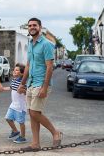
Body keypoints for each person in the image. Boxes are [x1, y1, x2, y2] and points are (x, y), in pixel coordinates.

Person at [18, 18, 62, 151]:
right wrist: (22, 83)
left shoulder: (46, 44)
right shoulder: (30, 43)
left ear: (40, 27)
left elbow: (49, 67)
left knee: (35, 112)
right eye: (30, 25)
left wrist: (44, 87)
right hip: (31, 83)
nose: (32, 27)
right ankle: (35, 144)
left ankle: (55, 132)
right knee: (32, 114)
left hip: (41, 84)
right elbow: (28, 65)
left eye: (34, 25)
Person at [2, 63, 27, 143]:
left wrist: (22, 90)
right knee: (8, 118)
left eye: (17, 70)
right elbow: (11, 88)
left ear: (22, 73)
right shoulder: (14, 80)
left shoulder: (23, 82)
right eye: (14, 70)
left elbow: (27, 92)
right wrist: (2, 88)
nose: (14, 71)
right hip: (13, 104)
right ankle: (15, 131)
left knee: (21, 122)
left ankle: (23, 137)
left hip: (20, 106)